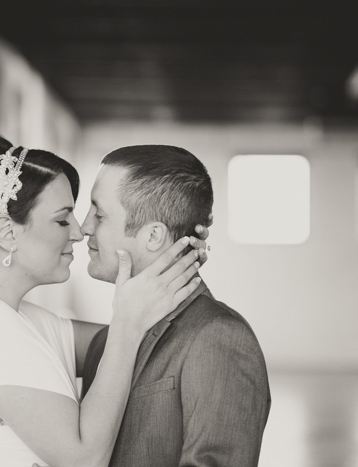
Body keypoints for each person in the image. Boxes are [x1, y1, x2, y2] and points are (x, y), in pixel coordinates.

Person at [0, 131, 209, 467]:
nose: (78, 232)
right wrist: (126, 320)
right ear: (8, 232)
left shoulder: (20, 320)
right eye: (61, 219)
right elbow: (84, 458)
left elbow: (146, 344)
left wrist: (172, 249)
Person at [80, 145, 271, 467]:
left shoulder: (218, 337)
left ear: (153, 236)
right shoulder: (106, 342)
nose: (84, 226)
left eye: (99, 215)